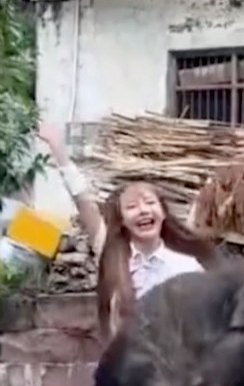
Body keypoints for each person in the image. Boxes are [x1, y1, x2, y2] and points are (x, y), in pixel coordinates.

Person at [37, 123, 221, 341]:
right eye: (132, 207)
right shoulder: (113, 255)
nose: (143, 210)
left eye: (149, 203)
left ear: (163, 213)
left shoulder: (186, 267)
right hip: (125, 367)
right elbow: (84, 201)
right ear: (122, 220)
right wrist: (59, 152)